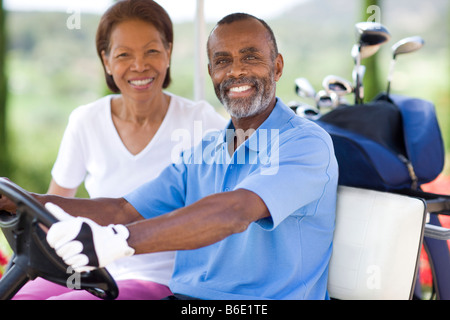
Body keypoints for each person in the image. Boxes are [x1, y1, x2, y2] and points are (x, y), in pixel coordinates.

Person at [1, 13, 338, 300]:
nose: (235, 71)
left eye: (250, 56)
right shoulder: (205, 152)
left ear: (276, 67)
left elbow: (235, 211)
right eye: (222, 61)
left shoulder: (305, 144)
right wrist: (21, 201)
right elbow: (120, 209)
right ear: (211, 73)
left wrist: (119, 241)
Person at [11, 0, 226, 300]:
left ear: (168, 53)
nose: (139, 65)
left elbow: (234, 204)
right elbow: (55, 208)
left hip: (164, 279)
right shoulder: (85, 121)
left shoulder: (201, 121)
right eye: (124, 54)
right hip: (88, 265)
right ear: (107, 61)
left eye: (152, 51)